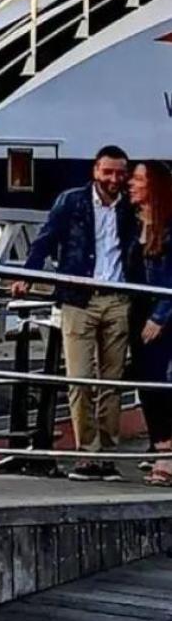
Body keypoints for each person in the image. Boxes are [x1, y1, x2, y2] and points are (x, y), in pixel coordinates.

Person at [14, 145, 137, 479]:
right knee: (79, 379)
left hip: (118, 298)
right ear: (95, 171)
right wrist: (28, 276)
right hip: (77, 298)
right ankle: (87, 453)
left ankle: (107, 455)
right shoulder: (71, 201)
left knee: (111, 382)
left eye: (119, 172)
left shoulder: (130, 209)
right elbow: (45, 240)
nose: (114, 178)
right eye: (108, 171)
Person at [126, 160, 172, 485]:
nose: (131, 183)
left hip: (161, 314)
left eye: (139, 179)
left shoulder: (169, 228)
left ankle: (166, 454)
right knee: (145, 381)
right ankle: (160, 445)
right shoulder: (132, 223)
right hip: (136, 312)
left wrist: (160, 316)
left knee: (159, 381)